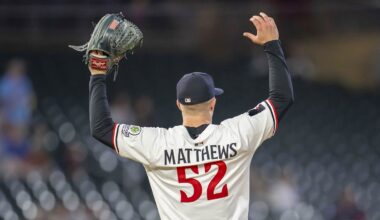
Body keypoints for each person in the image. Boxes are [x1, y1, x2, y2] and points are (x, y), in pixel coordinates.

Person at [88, 12, 294, 220]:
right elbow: (282, 98)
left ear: (178, 105)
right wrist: (272, 44)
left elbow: (101, 128)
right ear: (213, 103)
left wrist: (98, 74)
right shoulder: (237, 134)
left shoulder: (158, 144)